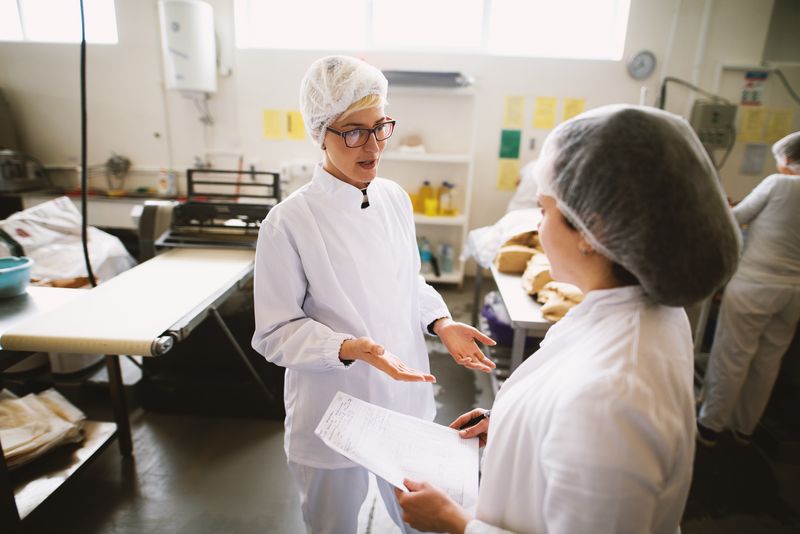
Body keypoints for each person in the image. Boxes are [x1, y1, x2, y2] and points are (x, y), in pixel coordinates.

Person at [395, 105, 741, 533]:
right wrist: (510, 427)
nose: (538, 228)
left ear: (590, 232)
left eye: (544, 211)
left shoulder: (612, 397)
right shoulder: (643, 310)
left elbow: (590, 418)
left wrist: (454, 522)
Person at [251, 55, 496, 534]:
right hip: (332, 411)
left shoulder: (393, 198)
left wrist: (441, 323)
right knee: (332, 527)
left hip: (402, 405)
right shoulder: (289, 222)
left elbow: (408, 283)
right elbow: (275, 333)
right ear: (321, 132)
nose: (373, 145)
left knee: (424, 523)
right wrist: (348, 348)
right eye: (353, 131)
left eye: (380, 126)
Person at [697, 131, 800, 447]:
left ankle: (711, 426)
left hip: (755, 285)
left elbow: (735, 219)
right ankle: (745, 428)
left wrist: (723, 206)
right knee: (768, 361)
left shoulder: (778, 184)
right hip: (794, 293)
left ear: (788, 159)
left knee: (733, 354)